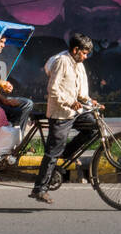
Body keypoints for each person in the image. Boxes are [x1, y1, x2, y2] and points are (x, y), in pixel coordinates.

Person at [30, 32, 104, 204]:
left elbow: (80, 93)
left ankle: (64, 157)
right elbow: (53, 90)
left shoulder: (78, 65)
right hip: (61, 113)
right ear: (75, 49)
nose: (85, 57)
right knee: (52, 152)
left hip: (75, 112)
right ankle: (39, 189)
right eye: (84, 53)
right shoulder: (62, 62)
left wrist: (90, 101)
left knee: (93, 127)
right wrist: (70, 102)